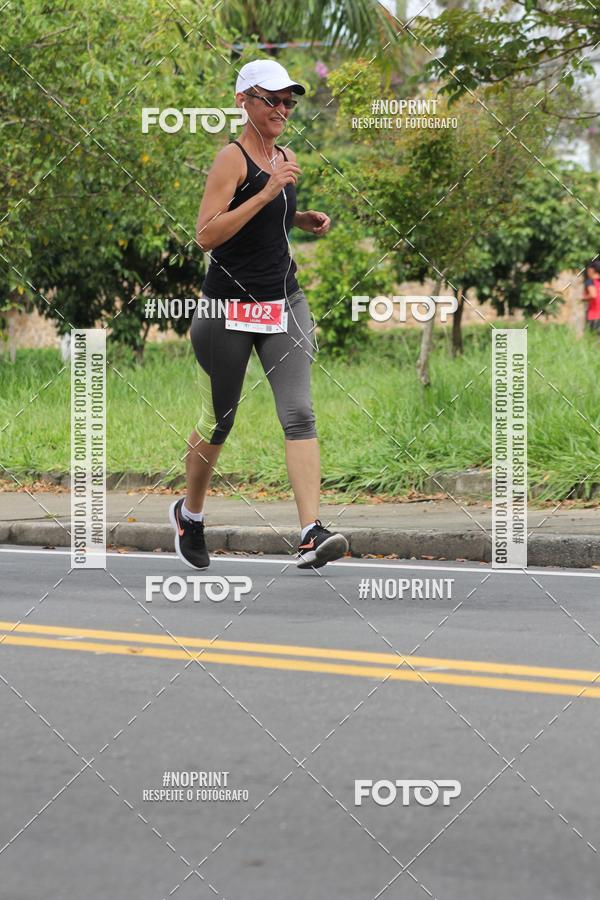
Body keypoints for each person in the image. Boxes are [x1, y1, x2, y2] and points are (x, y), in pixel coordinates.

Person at [169, 59, 349, 571]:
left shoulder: (286, 155)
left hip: (284, 302)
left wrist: (295, 213)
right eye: (272, 99)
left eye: (289, 102)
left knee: (299, 412)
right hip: (228, 308)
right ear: (244, 100)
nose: (282, 110)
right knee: (219, 420)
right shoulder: (231, 158)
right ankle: (191, 514)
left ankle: (311, 532)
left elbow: (268, 215)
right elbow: (206, 234)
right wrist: (269, 191)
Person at [582, 261, 600, 333]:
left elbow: (593, 295)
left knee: (593, 341)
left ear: (592, 270)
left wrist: (583, 298)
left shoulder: (590, 281)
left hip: (594, 315)